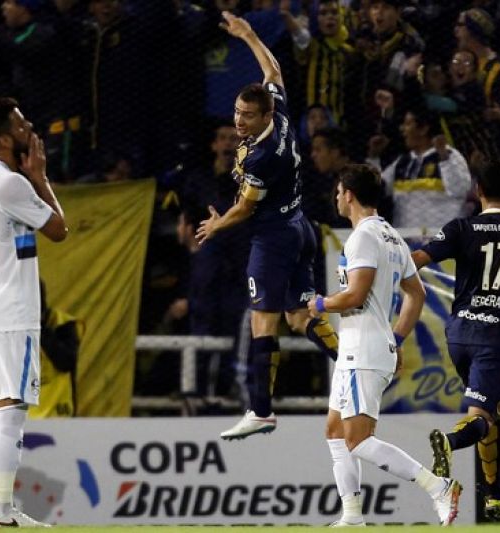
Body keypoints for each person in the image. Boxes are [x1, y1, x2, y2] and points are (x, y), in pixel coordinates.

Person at [196, 12, 339, 440]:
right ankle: (358, 360)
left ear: (265, 116)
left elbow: (244, 208)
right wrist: (249, 35)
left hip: (273, 238)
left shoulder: (262, 157)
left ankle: (260, 410)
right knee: (298, 317)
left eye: (247, 116)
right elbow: (273, 70)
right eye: (237, 112)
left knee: (263, 321)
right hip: (298, 226)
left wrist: (217, 226)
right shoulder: (280, 114)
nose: (239, 121)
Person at [307, 164, 462, 527]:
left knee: (358, 440)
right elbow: (416, 294)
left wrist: (320, 304)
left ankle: (437, 486)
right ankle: (352, 516)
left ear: (349, 194)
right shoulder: (391, 235)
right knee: (335, 432)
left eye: (338, 191)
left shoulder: (363, 237)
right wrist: (396, 339)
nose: (336, 197)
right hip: (364, 347)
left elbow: (355, 296)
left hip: (362, 350)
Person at [411, 160, 500, 522]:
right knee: (483, 415)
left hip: (459, 334)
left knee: (490, 409)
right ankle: (449, 442)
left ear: (478, 191)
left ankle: (494, 493)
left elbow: (418, 259)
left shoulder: (461, 227)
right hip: (497, 336)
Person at [0, 97, 67, 527]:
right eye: (22, 126)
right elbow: (59, 229)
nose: (30, 130)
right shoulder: (12, 185)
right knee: (13, 409)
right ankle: (2, 513)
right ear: (5, 140)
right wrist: (40, 178)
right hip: (8, 311)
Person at [28, 280, 82, 418]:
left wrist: (40, 329)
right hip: (26, 415)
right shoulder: (13, 328)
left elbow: (66, 362)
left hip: (59, 413)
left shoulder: (62, 324)